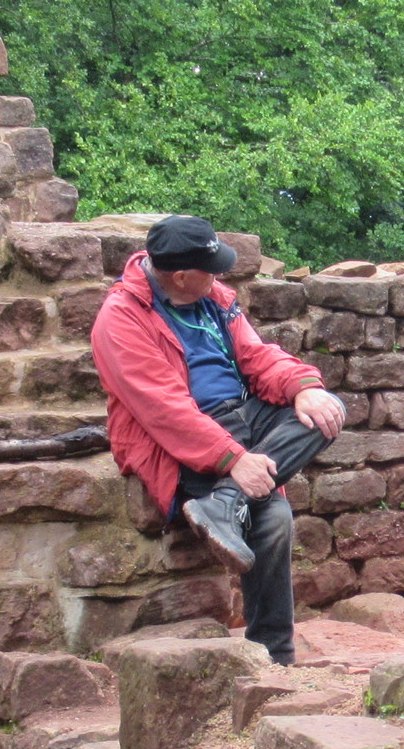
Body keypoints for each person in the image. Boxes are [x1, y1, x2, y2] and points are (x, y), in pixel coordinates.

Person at [91, 214, 349, 665]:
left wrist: (302, 387)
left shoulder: (213, 297)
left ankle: (225, 501)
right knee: (273, 517)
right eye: (210, 270)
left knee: (324, 411)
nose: (220, 276)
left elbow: (258, 356)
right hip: (180, 441)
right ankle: (275, 653)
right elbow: (165, 412)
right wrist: (233, 459)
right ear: (180, 276)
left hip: (243, 417)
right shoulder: (120, 319)